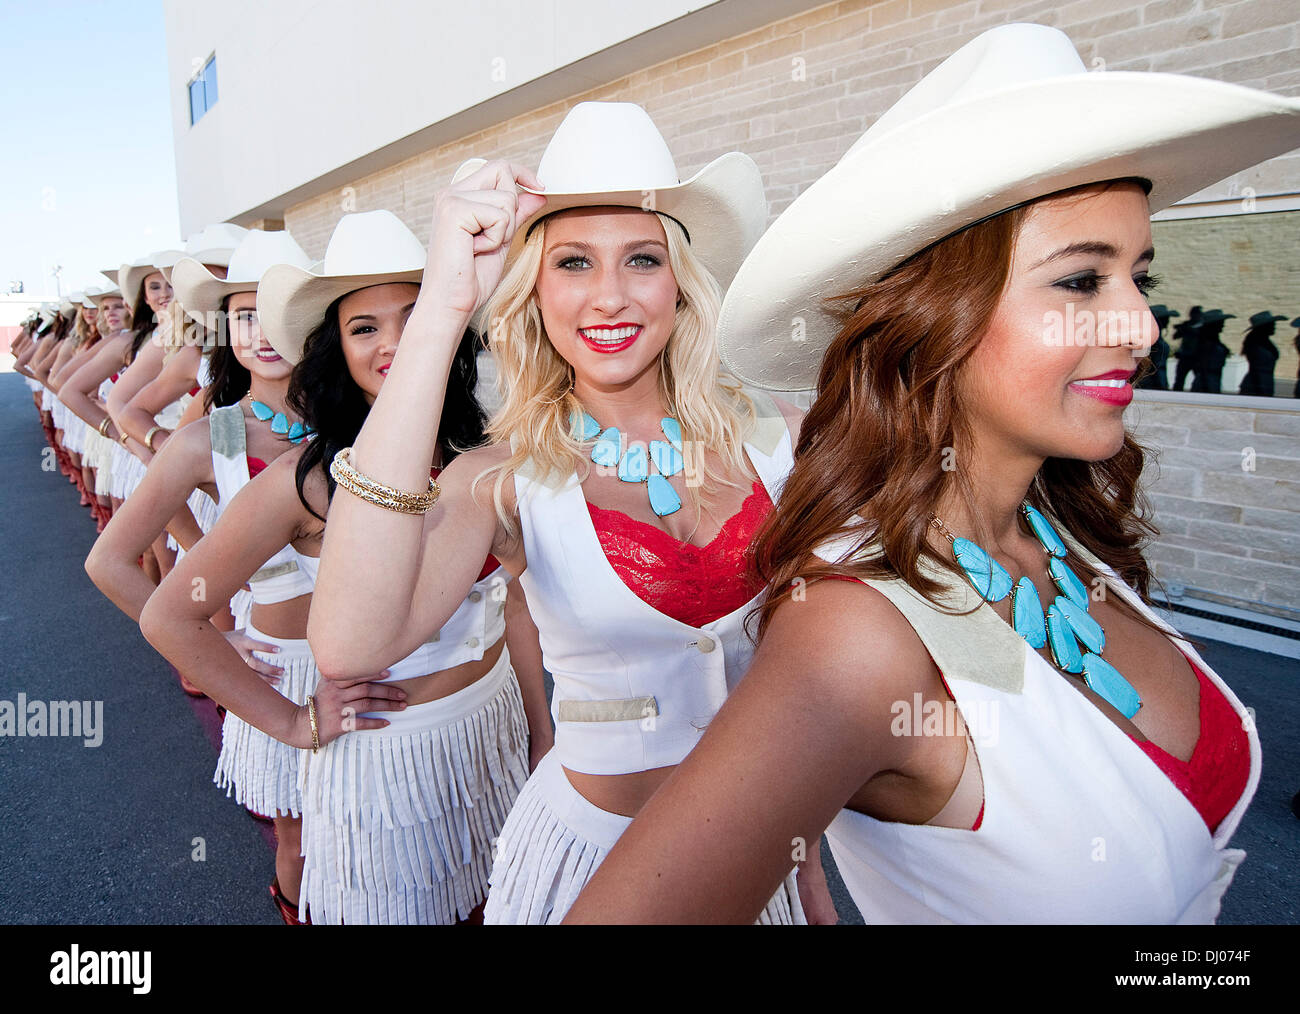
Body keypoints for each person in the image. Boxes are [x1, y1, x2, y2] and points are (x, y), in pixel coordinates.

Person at [563, 22, 1296, 924]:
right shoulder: (856, 636)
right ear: (931, 317)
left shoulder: (1051, 534)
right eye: (1079, 283)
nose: (1140, 327)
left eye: (1139, 276)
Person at [306, 103, 825, 924]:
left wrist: (807, 871)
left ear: (681, 285)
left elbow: (800, 685)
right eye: (574, 262)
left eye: (642, 260)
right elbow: (347, 645)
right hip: (588, 860)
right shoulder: (498, 479)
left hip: (758, 856)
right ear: (533, 292)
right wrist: (440, 310)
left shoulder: (778, 441)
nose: (609, 297)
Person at [145, 209, 548, 924]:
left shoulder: (482, 453)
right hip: (388, 766)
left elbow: (512, 604)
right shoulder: (305, 481)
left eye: (412, 315)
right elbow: (171, 614)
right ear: (334, 347)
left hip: (495, 736)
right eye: (364, 327)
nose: (393, 342)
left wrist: (540, 730)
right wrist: (294, 724)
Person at [85, 229, 315, 913]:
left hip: (379, 671)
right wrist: (216, 643)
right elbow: (110, 562)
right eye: (246, 314)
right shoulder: (206, 437)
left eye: (281, 311)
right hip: (285, 670)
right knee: (301, 840)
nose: (264, 331)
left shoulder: (360, 420)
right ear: (226, 327)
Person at [1238, 311, 1285, 396]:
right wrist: (1263, 391)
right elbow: (1258, 370)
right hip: (1256, 385)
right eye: (1271, 324)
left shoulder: (1265, 343)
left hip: (1264, 383)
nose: (1274, 326)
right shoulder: (1257, 347)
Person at [1136, 305, 1176, 389]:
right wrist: (1162, 386)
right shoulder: (1153, 342)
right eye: (1165, 318)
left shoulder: (1148, 339)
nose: (1168, 321)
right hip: (1150, 384)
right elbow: (1158, 368)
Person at [1171, 305, 1203, 391]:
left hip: (1196, 357)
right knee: (1179, 379)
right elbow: (1175, 336)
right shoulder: (1187, 325)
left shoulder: (1202, 327)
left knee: (1199, 379)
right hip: (1185, 356)